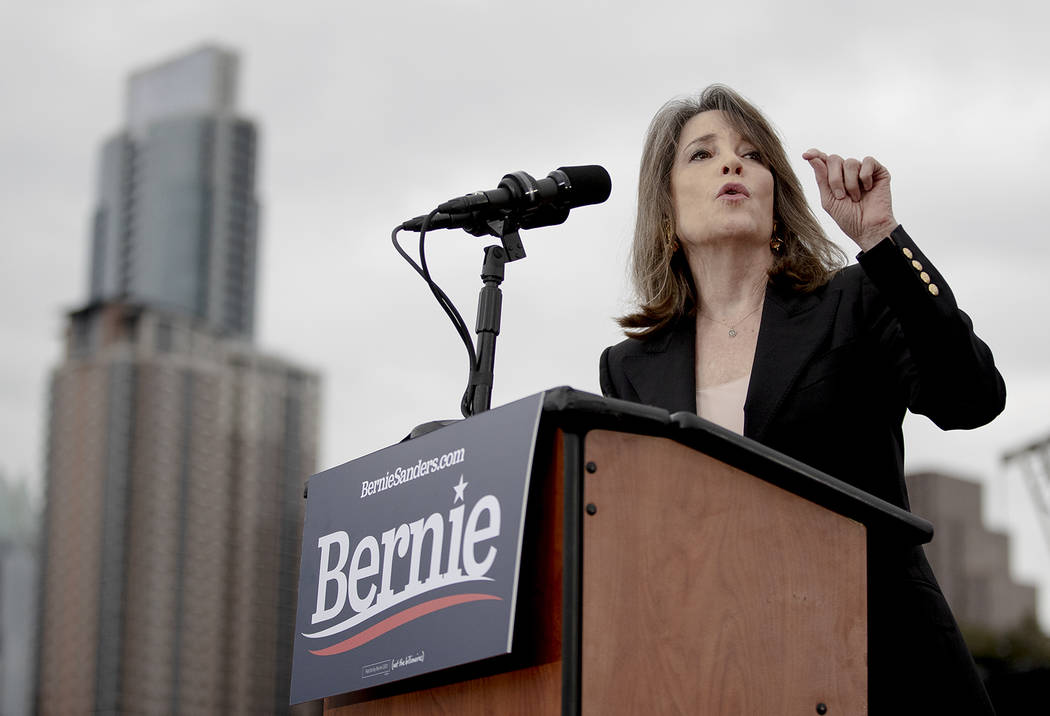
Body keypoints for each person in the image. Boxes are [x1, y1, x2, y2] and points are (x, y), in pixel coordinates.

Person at [599, 85, 1006, 715]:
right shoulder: (630, 369)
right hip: (730, 675)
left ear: (776, 198)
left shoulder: (855, 299)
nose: (732, 164)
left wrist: (883, 241)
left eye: (751, 154)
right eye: (701, 156)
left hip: (884, 666)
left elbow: (970, 398)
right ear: (666, 211)